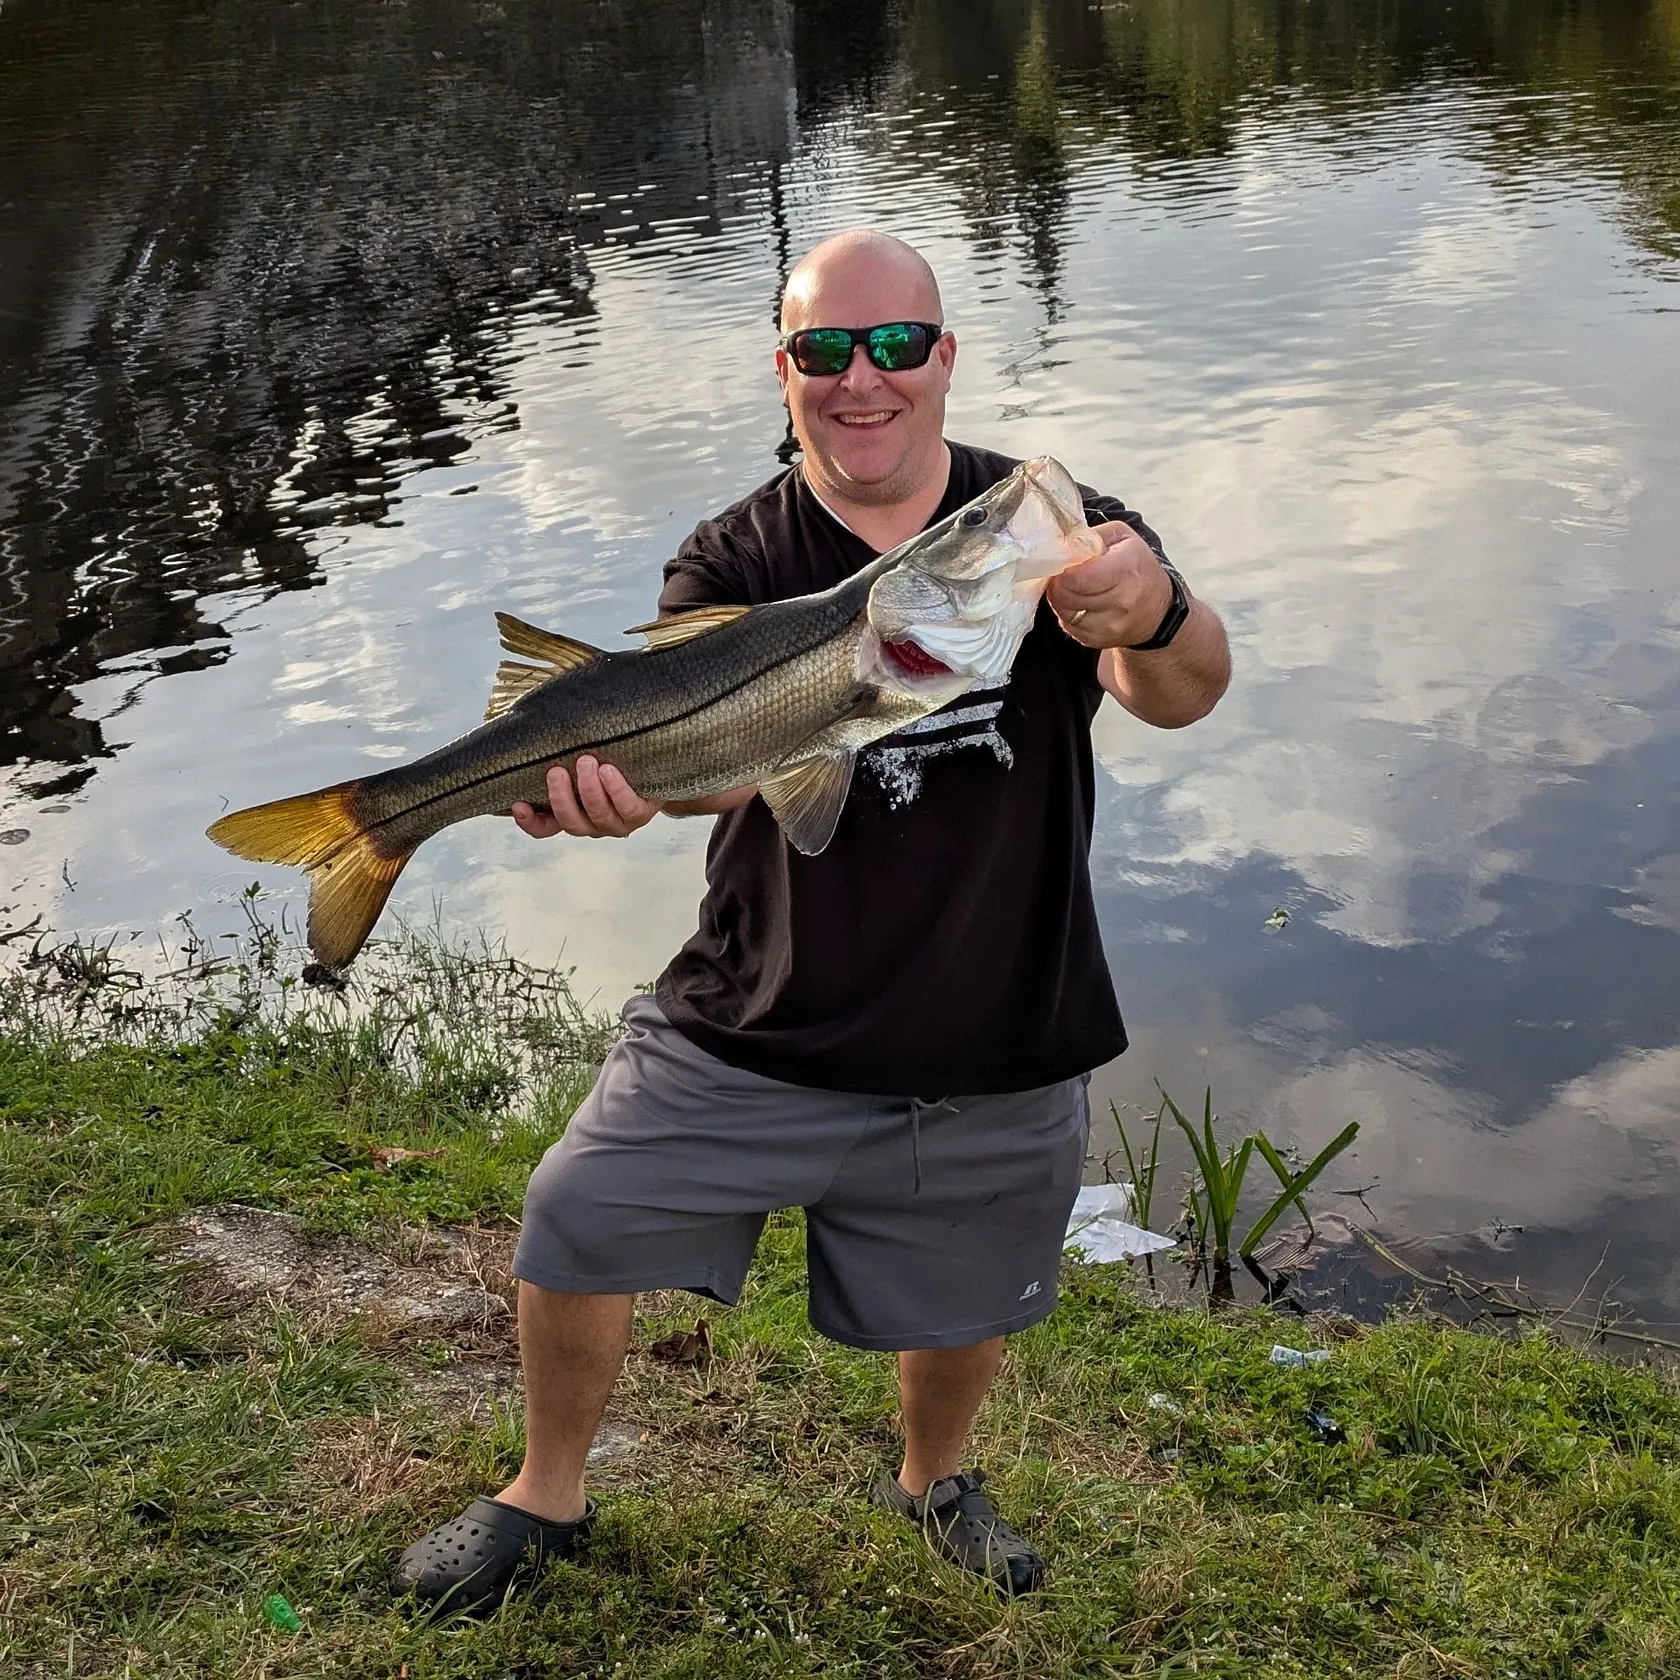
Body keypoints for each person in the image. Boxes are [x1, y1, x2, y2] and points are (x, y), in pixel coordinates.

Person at [392, 229, 1230, 1613]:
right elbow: (713, 771)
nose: (864, 380)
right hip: (760, 1009)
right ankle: (542, 1495)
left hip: (998, 1015)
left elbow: (1180, 691)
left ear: (945, 358)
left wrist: (1156, 607)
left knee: (968, 1295)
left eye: (897, 346)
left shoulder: (1039, 531)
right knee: (576, 1211)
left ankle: (933, 1480)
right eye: (825, 350)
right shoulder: (735, 550)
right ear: (783, 372)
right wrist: (609, 791)